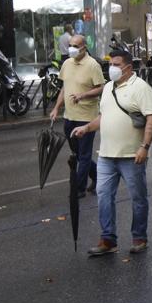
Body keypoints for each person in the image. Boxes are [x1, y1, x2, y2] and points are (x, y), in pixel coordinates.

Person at [70, 48, 152, 254]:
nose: (112, 68)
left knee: (138, 198)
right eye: (110, 64)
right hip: (106, 156)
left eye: (116, 65)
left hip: (131, 156)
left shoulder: (141, 88)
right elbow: (104, 116)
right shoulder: (109, 87)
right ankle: (108, 239)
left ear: (128, 67)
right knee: (103, 196)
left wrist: (144, 147)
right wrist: (87, 127)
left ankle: (139, 237)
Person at [50, 33, 106, 196]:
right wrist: (56, 108)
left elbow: (101, 87)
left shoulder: (92, 65)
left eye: (75, 46)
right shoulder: (67, 63)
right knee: (79, 154)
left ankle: (79, 188)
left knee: (84, 154)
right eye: (70, 45)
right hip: (69, 117)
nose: (72, 49)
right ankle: (97, 177)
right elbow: (64, 88)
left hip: (87, 118)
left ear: (83, 47)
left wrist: (83, 95)